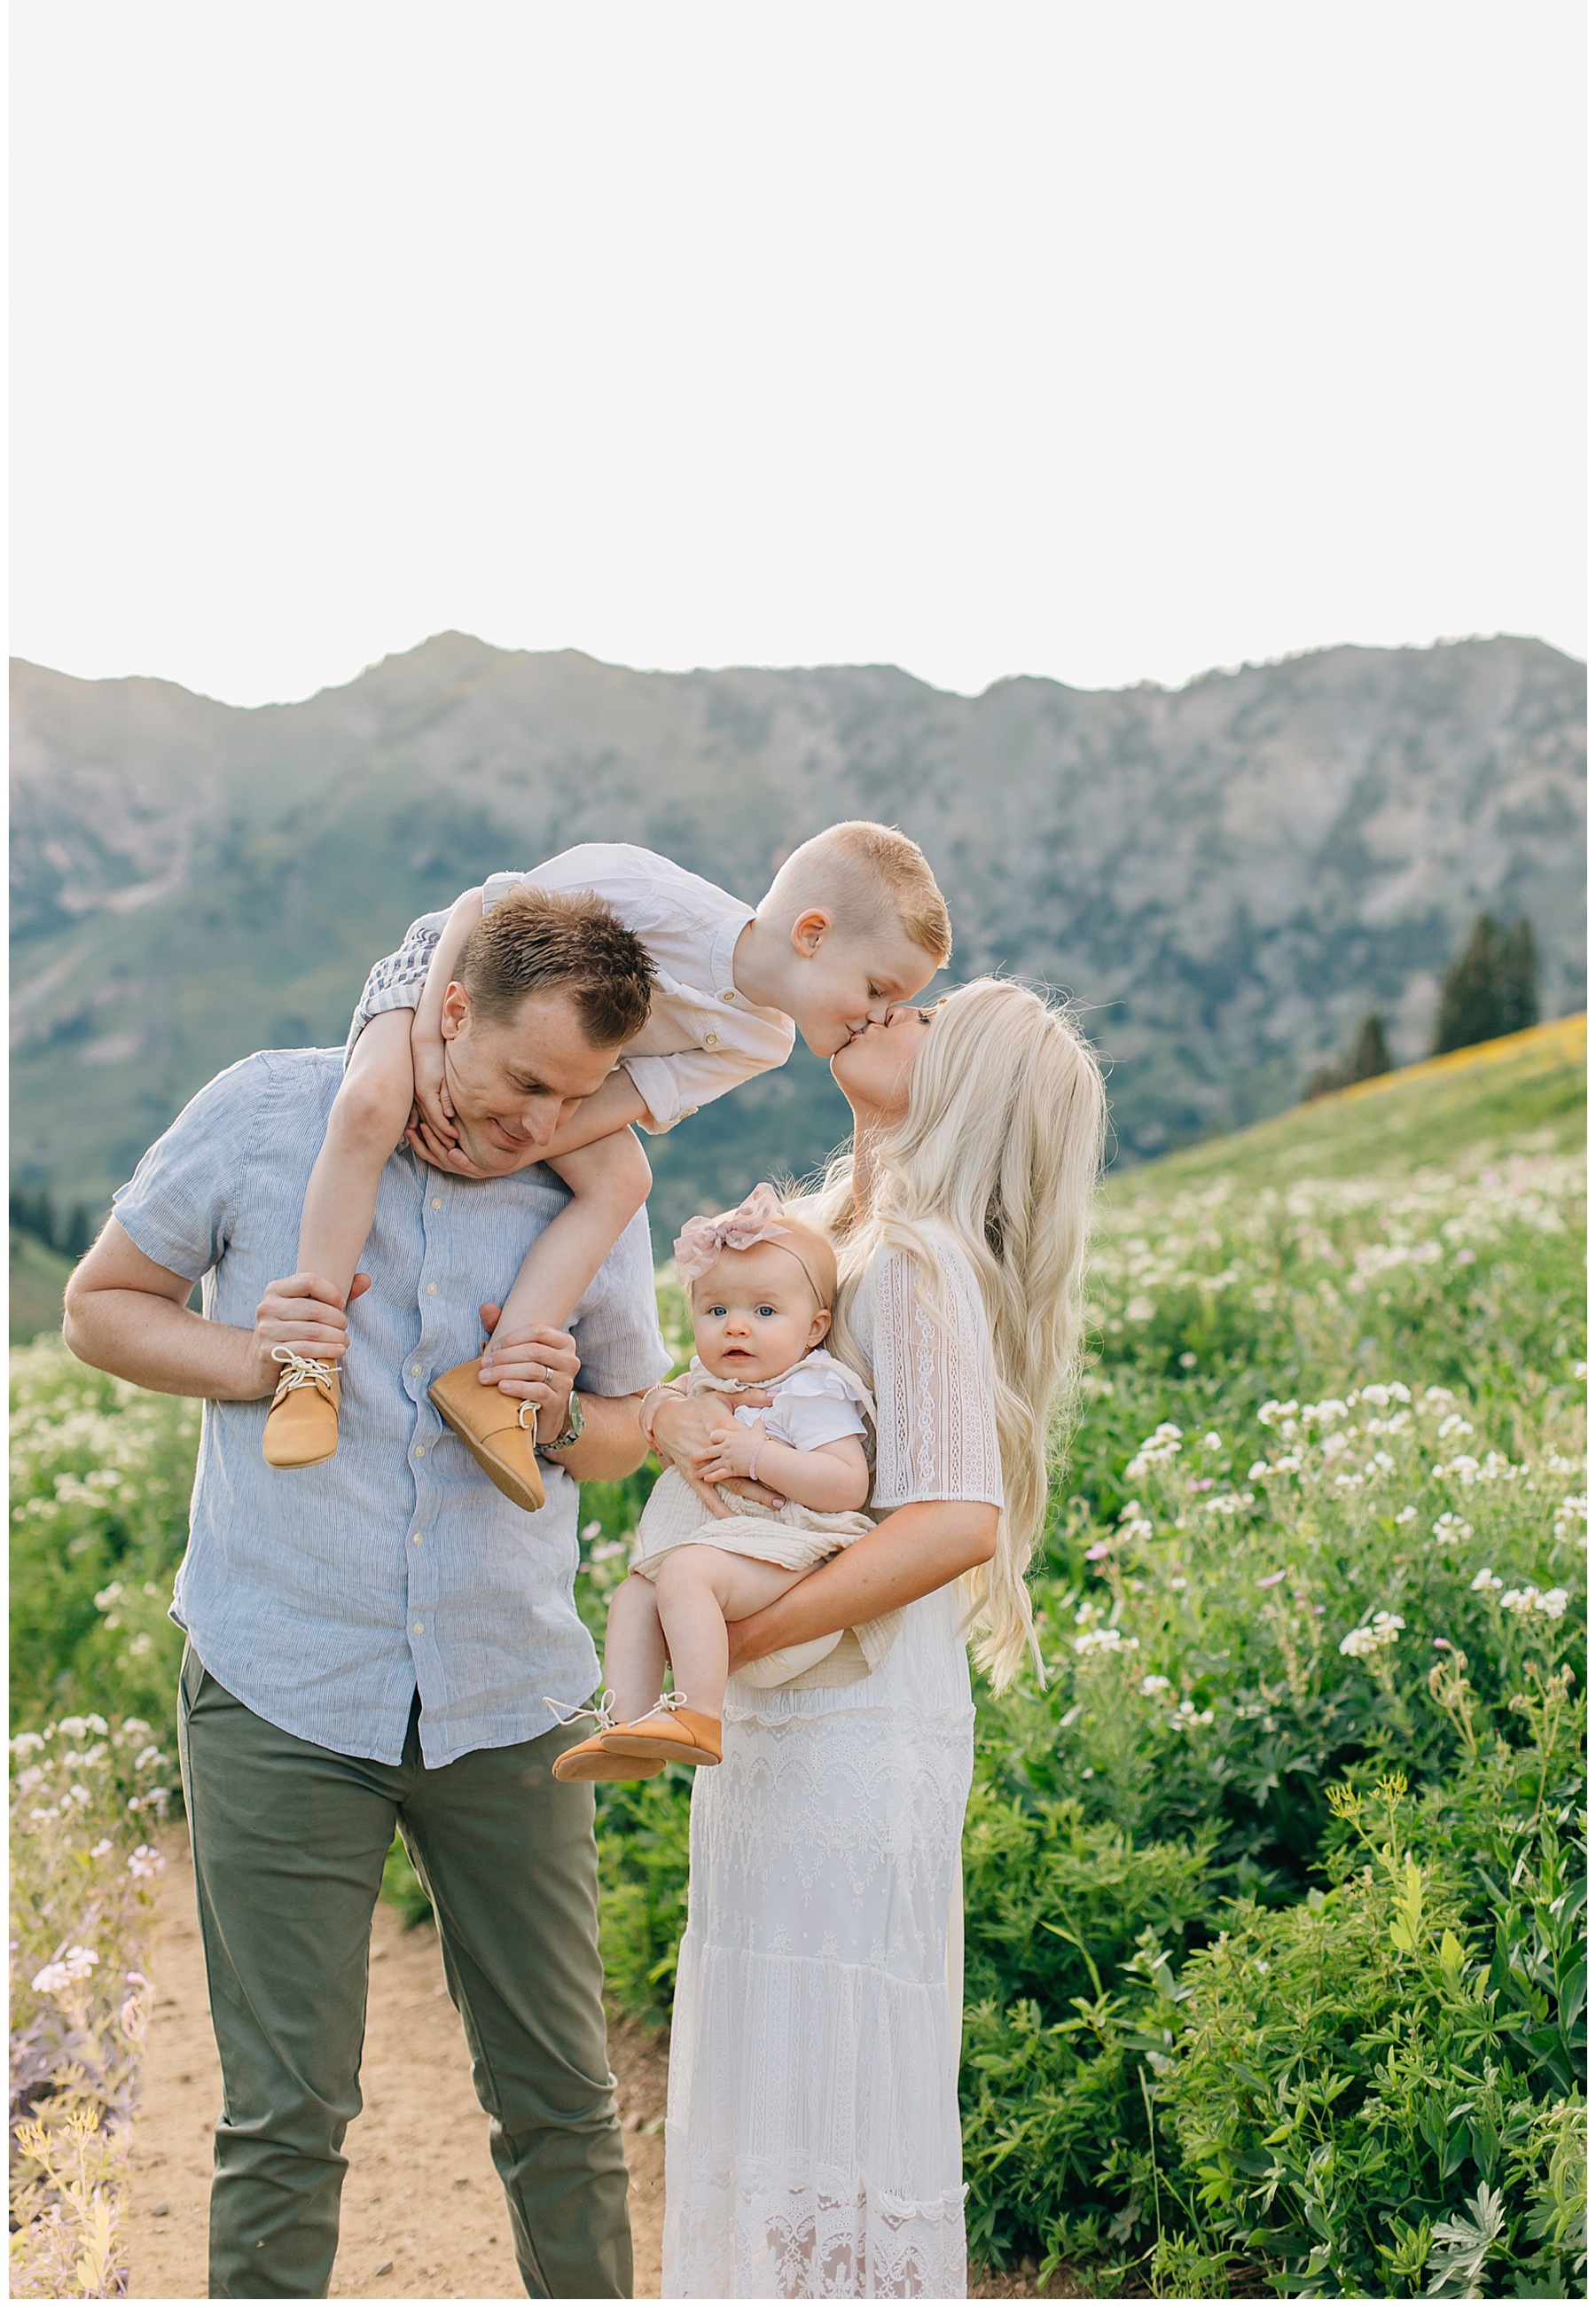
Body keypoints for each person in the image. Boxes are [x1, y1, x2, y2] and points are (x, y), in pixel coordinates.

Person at [62, 888, 671, 2302]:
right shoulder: (272, 1114)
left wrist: (564, 1408)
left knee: (565, 2103)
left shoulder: (586, 1175)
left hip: (509, 1691)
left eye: (577, 1094)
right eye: (525, 1079)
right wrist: (252, 1355)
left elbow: (632, 1427)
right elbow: (101, 1306)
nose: (540, 1121)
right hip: (279, 1678)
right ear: (448, 1010)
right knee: (284, 2119)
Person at [646, 978, 1107, 2298]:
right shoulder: (846, 1248)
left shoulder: (907, 1261)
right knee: (794, 2059)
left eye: (927, 1014)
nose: (885, 1007)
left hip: (848, 1722)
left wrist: (738, 1640)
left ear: (958, 1084)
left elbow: (954, 1520)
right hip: (817, 1716)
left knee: (818, 2068)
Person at [265, 829, 951, 1501]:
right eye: (877, 989)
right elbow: (482, 908)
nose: (881, 1017)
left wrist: (504, 1151)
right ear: (812, 935)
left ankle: (499, 1385)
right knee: (370, 1105)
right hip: (457, 978)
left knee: (626, 1179)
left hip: (563, 1071)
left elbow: (615, 1100)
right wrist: (421, 1040)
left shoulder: (763, 1041)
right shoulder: (649, 893)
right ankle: (308, 1361)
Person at [549, 1183, 882, 1784]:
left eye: (764, 1312)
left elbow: (844, 1485)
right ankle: (627, 1727)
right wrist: (660, 1409)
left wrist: (758, 1455)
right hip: (734, 1549)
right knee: (634, 1594)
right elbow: (655, 1405)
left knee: (681, 1572)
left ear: (814, 1328)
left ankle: (699, 1715)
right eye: (716, 1311)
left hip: (794, 1549)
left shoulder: (810, 1388)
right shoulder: (703, 1384)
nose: (736, 1329)